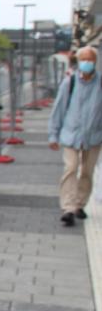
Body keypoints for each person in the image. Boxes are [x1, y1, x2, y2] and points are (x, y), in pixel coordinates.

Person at [48, 45, 102, 226]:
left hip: (93, 137)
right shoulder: (70, 82)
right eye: (84, 59)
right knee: (71, 168)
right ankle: (68, 208)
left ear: (95, 61)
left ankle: (80, 204)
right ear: (79, 61)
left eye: (90, 59)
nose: (87, 63)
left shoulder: (100, 82)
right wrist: (53, 135)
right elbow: (59, 109)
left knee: (87, 172)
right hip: (71, 135)